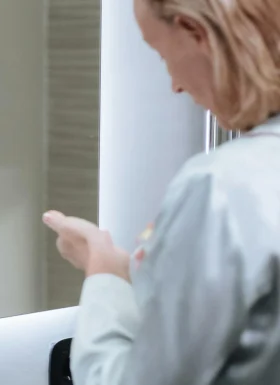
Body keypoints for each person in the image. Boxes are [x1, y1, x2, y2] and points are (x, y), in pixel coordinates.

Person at [43, 0, 280, 384]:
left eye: (162, 53)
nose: (175, 84)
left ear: (196, 33)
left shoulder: (221, 187)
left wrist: (101, 273)